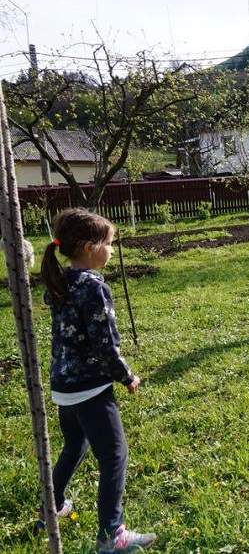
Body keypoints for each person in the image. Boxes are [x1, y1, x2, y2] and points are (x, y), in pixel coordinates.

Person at [40, 208, 156, 553]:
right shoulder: (93, 287)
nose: (111, 250)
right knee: (114, 456)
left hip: (64, 386)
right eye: (108, 243)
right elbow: (105, 344)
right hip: (91, 388)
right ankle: (111, 534)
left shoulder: (62, 280)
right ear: (90, 247)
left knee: (75, 445)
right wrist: (127, 376)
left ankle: (51, 506)